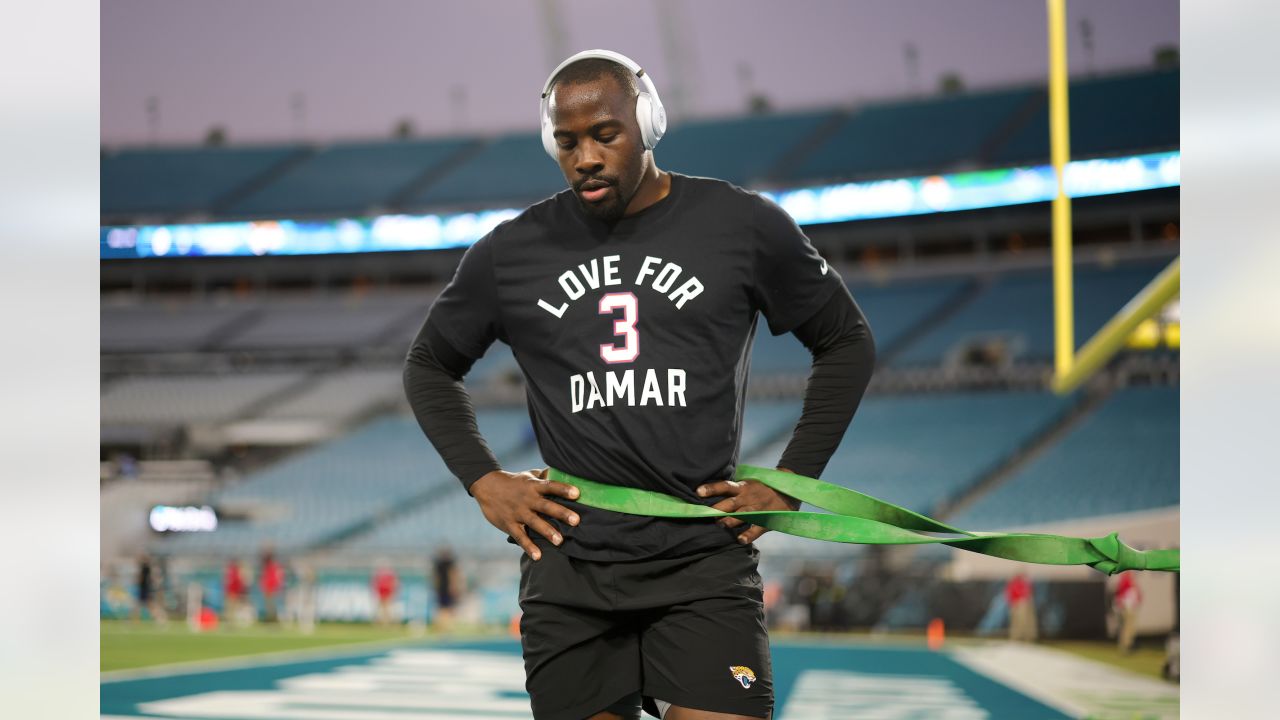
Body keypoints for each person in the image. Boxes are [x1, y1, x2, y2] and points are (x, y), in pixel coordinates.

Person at [404, 49, 875, 720]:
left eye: (605, 134)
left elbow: (846, 340)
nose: (585, 157)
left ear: (648, 123)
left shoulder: (740, 224)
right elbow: (428, 365)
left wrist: (791, 480)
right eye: (566, 142)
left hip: (702, 566)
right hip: (570, 573)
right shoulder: (511, 251)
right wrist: (484, 480)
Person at [432, 546, 462, 633]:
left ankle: (444, 627)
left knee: (444, 609)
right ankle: (446, 627)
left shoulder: (440, 563)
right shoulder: (447, 563)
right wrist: (454, 586)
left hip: (442, 589)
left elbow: (436, 577)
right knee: (446, 609)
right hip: (445, 589)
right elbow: (452, 575)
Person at [1114, 570, 1142, 653]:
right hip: (1127, 606)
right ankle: (1126, 646)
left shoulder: (1127, 581)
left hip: (1130, 606)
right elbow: (1121, 594)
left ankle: (1128, 645)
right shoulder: (1125, 580)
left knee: (1129, 627)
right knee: (1127, 627)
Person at [1006, 572, 1037, 643]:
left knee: (1025, 621)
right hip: (1017, 603)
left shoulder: (1025, 584)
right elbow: (1010, 594)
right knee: (1017, 622)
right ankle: (1016, 637)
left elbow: (1028, 593)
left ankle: (1026, 637)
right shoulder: (1014, 584)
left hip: (1023, 603)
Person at [372, 561, 399, 627]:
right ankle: (381, 623)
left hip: (387, 593)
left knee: (387, 609)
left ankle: (388, 623)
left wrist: (393, 592)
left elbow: (395, 583)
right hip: (381, 593)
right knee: (381, 609)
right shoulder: (379, 573)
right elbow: (375, 583)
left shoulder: (390, 574)